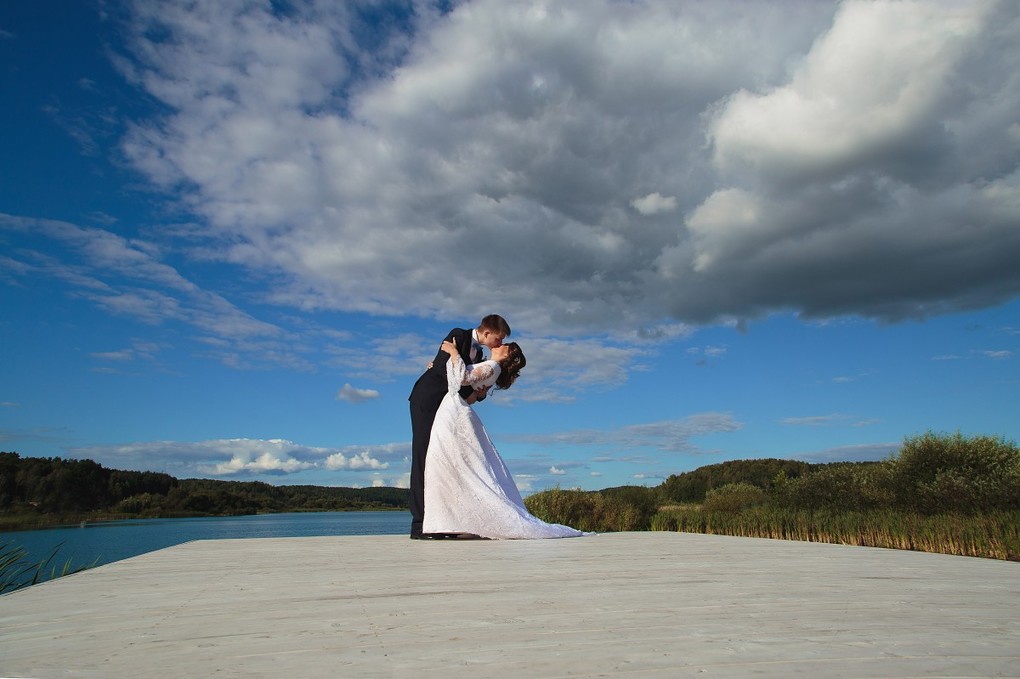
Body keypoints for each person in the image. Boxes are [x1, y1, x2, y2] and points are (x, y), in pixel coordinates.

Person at [422, 339, 589, 539]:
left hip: (454, 412)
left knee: (454, 464)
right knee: (455, 465)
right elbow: (468, 391)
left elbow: (463, 378)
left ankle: (453, 522)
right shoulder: (488, 364)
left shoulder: (493, 366)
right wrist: (438, 369)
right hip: (454, 409)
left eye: (504, 345)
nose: (499, 344)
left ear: (507, 355)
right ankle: (453, 521)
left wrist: (453, 352)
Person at [408, 315, 511, 539]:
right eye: (499, 338)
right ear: (487, 332)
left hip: (448, 410)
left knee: (446, 461)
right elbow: (443, 371)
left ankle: (444, 521)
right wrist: (452, 361)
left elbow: (466, 386)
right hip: (428, 401)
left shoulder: (481, 356)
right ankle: (420, 525)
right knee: (424, 457)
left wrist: (479, 393)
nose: (500, 343)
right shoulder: (458, 335)